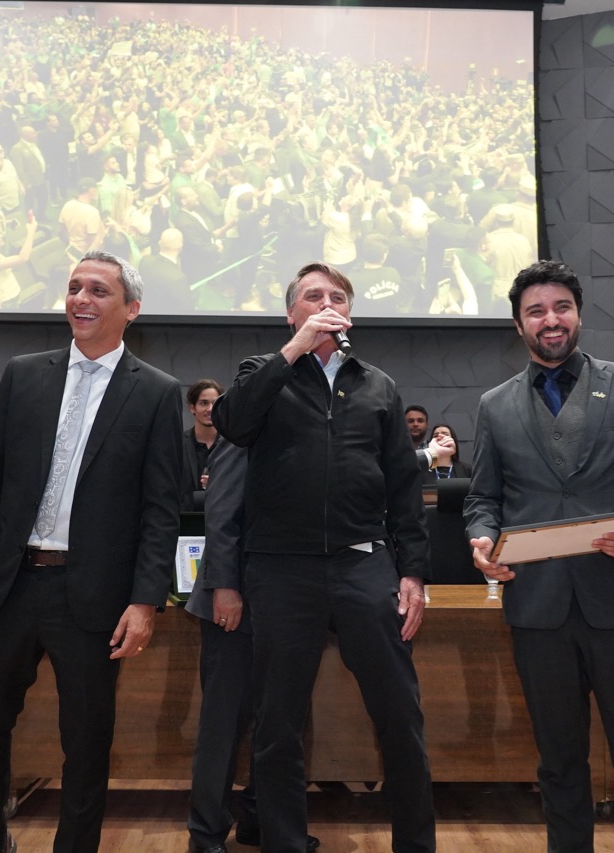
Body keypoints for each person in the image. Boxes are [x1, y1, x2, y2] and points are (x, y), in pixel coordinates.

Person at [0, 251, 183, 853]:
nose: (81, 298)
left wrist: (145, 602)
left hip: (93, 595)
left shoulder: (157, 393)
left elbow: (161, 510)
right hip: (10, 585)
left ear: (131, 309)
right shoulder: (24, 374)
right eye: (75, 287)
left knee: (86, 740)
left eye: (98, 290)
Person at [464, 260, 614, 853]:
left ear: (579, 315)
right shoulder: (494, 404)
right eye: (536, 311)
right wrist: (481, 540)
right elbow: (484, 499)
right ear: (519, 325)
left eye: (561, 307)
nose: (551, 320)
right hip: (538, 612)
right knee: (559, 763)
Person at [213, 261, 436, 853]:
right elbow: (232, 423)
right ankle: (285, 842)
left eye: (337, 296)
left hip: (364, 562)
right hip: (281, 568)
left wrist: (413, 572)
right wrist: (293, 352)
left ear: (350, 314)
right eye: (312, 297)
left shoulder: (377, 385)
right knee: (277, 721)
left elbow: (403, 487)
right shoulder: (262, 372)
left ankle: (416, 844)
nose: (326, 303)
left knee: (400, 712)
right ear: (292, 314)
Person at [182, 440, 320, 853]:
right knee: (223, 724)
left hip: (286, 601)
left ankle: (259, 821)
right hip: (234, 601)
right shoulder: (244, 431)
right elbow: (221, 513)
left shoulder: (305, 430)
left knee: (279, 721)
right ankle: (205, 833)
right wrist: (225, 586)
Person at [180, 378, 222, 511]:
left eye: (215, 403)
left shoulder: (233, 447)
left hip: (224, 520)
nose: (210, 409)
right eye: (204, 403)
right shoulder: (178, 445)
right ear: (192, 408)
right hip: (185, 519)